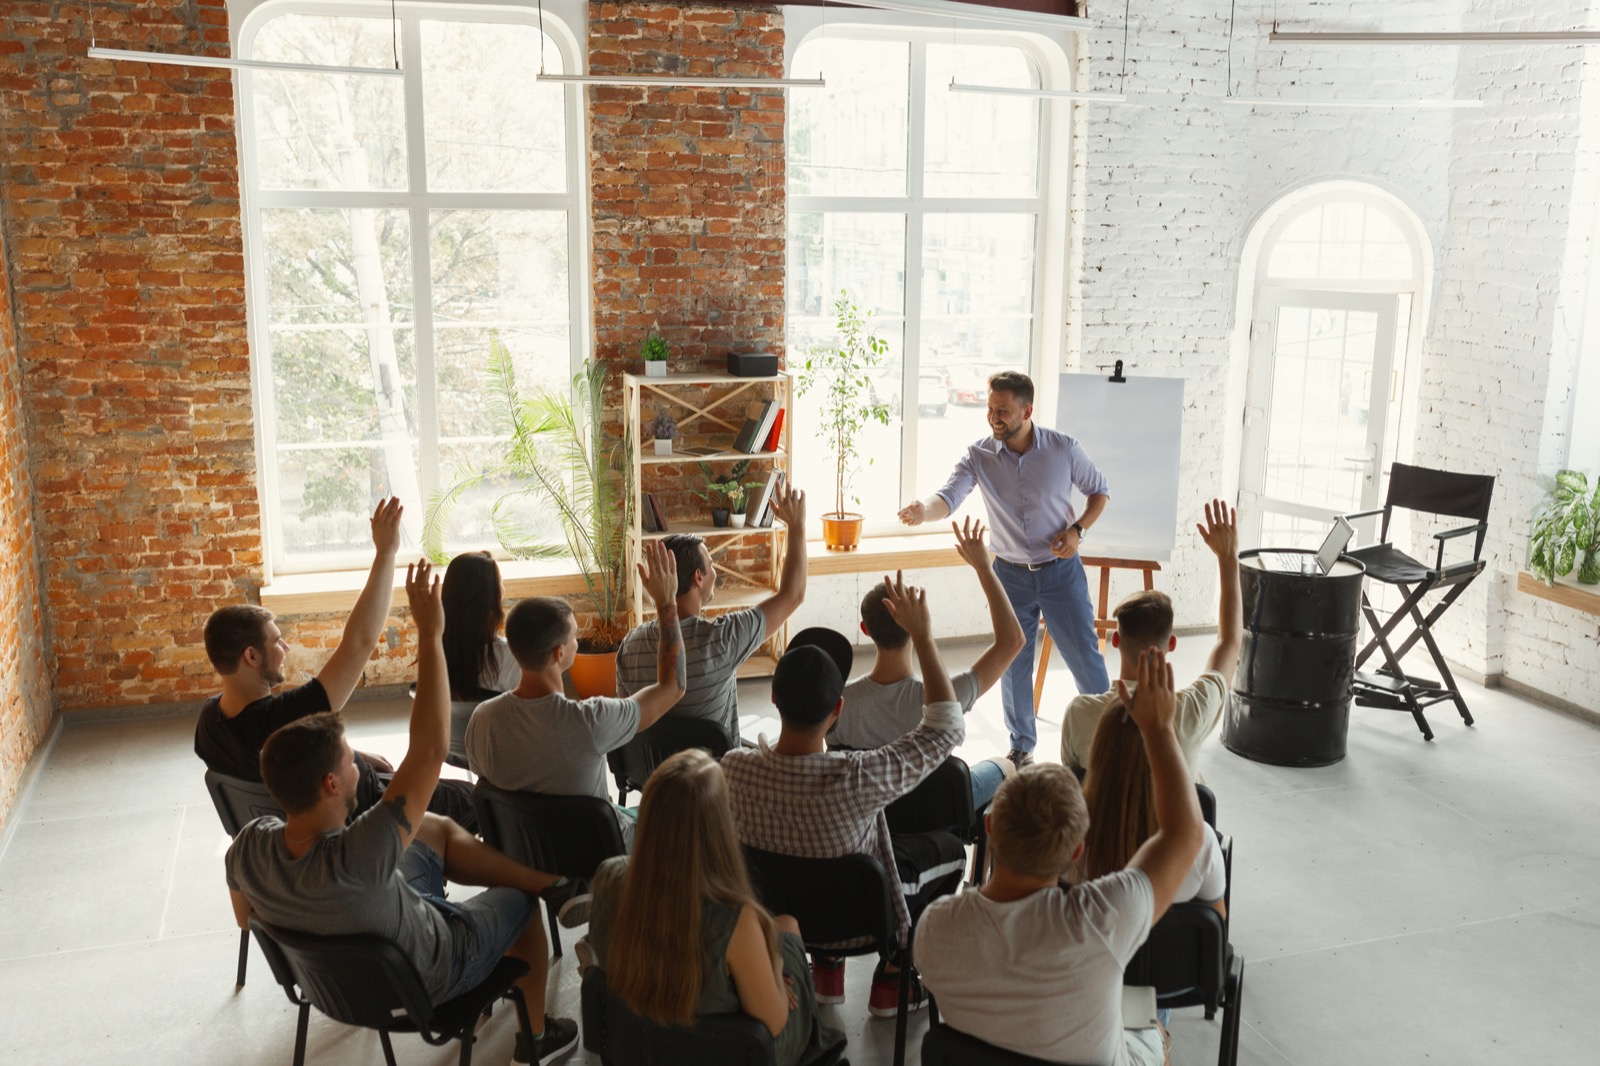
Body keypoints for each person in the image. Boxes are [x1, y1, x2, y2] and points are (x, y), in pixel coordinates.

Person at [224, 560, 583, 1064]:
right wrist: (430, 633)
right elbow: (430, 750)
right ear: (330, 785)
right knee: (517, 903)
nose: (359, 768)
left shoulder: (250, 844)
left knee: (431, 829)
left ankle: (550, 882)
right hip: (429, 971)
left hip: (343, 978)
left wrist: (320, 913)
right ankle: (537, 1038)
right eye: (350, 762)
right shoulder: (364, 850)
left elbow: (249, 918)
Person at [915, 649, 1206, 1066]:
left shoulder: (935, 928)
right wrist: (1159, 729)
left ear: (992, 828)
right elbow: (1186, 833)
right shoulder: (1103, 918)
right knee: (1147, 1021)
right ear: (1075, 850)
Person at [721, 573, 967, 1017]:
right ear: (838, 709)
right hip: (861, 929)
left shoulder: (733, 770)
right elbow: (945, 728)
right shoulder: (859, 778)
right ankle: (894, 974)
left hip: (779, 920)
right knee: (953, 853)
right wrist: (924, 636)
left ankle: (825, 969)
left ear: (773, 698)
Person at [195, 497, 474, 829]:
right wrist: (386, 553)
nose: (285, 646)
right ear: (251, 657)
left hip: (317, 823)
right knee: (482, 800)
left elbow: (293, 755)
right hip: (375, 819)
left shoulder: (209, 722)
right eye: (276, 640)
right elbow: (360, 642)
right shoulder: (285, 720)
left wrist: (351, 755)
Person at [898, 370, 1110, 768]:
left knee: (1084, 656)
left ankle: (1108, 736)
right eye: (990, 409)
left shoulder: (1063, 449)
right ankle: (1021, 746)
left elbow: (1100, 490)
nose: (994, 418)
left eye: (1003, 411)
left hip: (1060, 571)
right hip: (1009, 574)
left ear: (1027, 410)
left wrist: (1078, 530)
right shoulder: (978, 455)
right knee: (1014, 663)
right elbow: (949, 495)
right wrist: (922, 511)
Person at [584, 749, 847, 1066]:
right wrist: (776, 966)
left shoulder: (608, 878)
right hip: (727, 1056)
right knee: (787, 928)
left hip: (643, 1047)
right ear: (719, 828)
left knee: (783, 927)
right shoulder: (735, 919)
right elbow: (774, 1023)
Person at [465, 542, 687, 846]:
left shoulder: (482, 720)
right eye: (573, 639)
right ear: (559, 654)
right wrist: (666, 604)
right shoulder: (592, 720)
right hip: (601, 854)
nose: (577, 644)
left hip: (527, 857)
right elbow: (672, 687)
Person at [828, 517, 1024, 810]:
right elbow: (1013, 641)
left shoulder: (840, 703)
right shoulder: (945, 698)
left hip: (873, 814)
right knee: (1005, 765)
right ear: (916, 621)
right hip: (936, 812)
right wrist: (984, 567)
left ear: (865, 629)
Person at [615, 483, 808, 741]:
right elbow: (793, 595)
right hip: (714, 779)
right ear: (698, 577)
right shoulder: (723, 639)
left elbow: (625, 727)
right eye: (711, 565)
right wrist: (797, 527)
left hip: (654, 779)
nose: (715, 572)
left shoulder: (629, 647)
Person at [1062, 498, 1241, 775]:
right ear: (1171, 644)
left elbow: (1074, 783)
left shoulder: (1079, 714)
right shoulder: (1190, 712)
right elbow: (1230, 642)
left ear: (1117, 641)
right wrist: (1228, 559)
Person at [442, 551, 522, 763]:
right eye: (500, 583)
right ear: (491, 597)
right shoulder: (510, 656)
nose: (503, 588)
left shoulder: (434, 652)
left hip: (452, 748)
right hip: (501, 753)